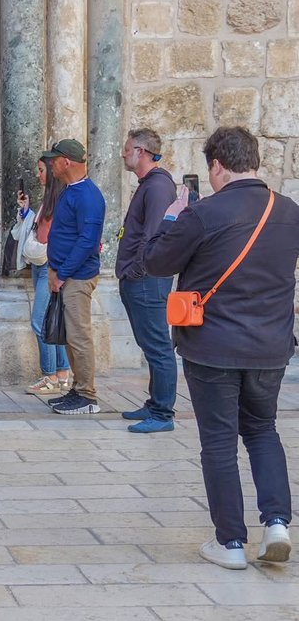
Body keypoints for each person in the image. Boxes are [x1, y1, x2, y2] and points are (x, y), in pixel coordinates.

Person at [144, 126, 298, 570]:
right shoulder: (289, 211)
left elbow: (156, 262)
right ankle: (277, 524)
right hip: (270, 346)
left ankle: (230, 542)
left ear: (216, 165)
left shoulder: (203, 213)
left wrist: (171, 217)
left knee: (218, 442)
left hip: (213, 347)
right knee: (263, 431)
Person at [116, 128, 179, 434]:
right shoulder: (149, 185)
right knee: (150, 344)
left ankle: (163, 413)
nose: (123, 153)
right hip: (140, 278)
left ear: (141, 152)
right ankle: (155, 404)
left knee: (158, 346)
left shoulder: (157, 187)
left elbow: (154, 235)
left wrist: (136, 270)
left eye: (127, 149)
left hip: (147, 280)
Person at [43, 139, 107, 416]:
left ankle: (87, 396)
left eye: (54, 160)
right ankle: (78, 388)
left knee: (79, 336)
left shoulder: (88, 196)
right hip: (66, 275)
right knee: (70, 335)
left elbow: (88, 241)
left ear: (66, 161)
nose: (51, 164)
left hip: (77, 277)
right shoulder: (71, 191)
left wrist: (63, 273)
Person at [13, 154, 71, 395]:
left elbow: (46, 235)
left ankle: (50, 376)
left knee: (39, 321)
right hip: (41, 265)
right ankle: (62, 374)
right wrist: (28, 211)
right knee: (52, 319)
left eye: (41, 170)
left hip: (49, 266)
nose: (39, 175)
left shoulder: (60, 200)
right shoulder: (49, 198)